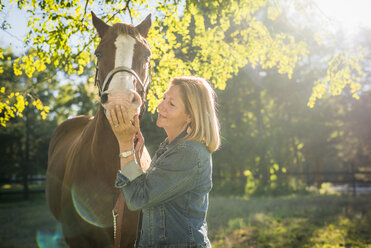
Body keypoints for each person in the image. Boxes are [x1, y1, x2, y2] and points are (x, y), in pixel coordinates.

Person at [107, 76, 220, 248]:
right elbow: (148, 190)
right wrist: (134, 152)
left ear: (190, 116)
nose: (161, 106)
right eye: (164, 98)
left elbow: (138, 198)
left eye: (171, 104)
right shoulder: (169, 148)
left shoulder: (188, 153)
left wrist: (124, 144)